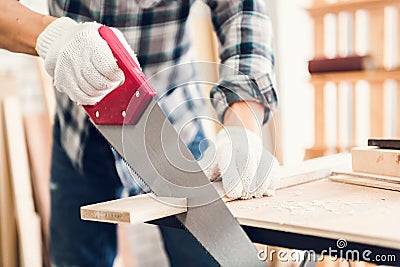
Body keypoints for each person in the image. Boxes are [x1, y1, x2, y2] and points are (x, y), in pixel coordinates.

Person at [0, 0, 279, 266]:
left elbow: (243, 12)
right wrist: (52, 35)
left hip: (172, 129)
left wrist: (241, 125)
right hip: (78, 136)